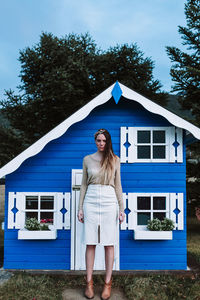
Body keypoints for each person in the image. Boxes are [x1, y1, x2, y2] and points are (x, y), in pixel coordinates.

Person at [77, 128, 125, 300]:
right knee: (90, 242)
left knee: (109, 243)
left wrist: (122, 208)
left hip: (109, 200)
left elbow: (118, 185)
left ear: (108, 141)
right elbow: (83, 185)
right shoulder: (87, 160)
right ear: (95, 141)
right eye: (99, 140)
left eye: (104, 141)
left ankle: (107, 284)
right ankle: (88, 283)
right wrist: (80, 207)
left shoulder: (115, 160)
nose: (101, 144)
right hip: (90, 199)